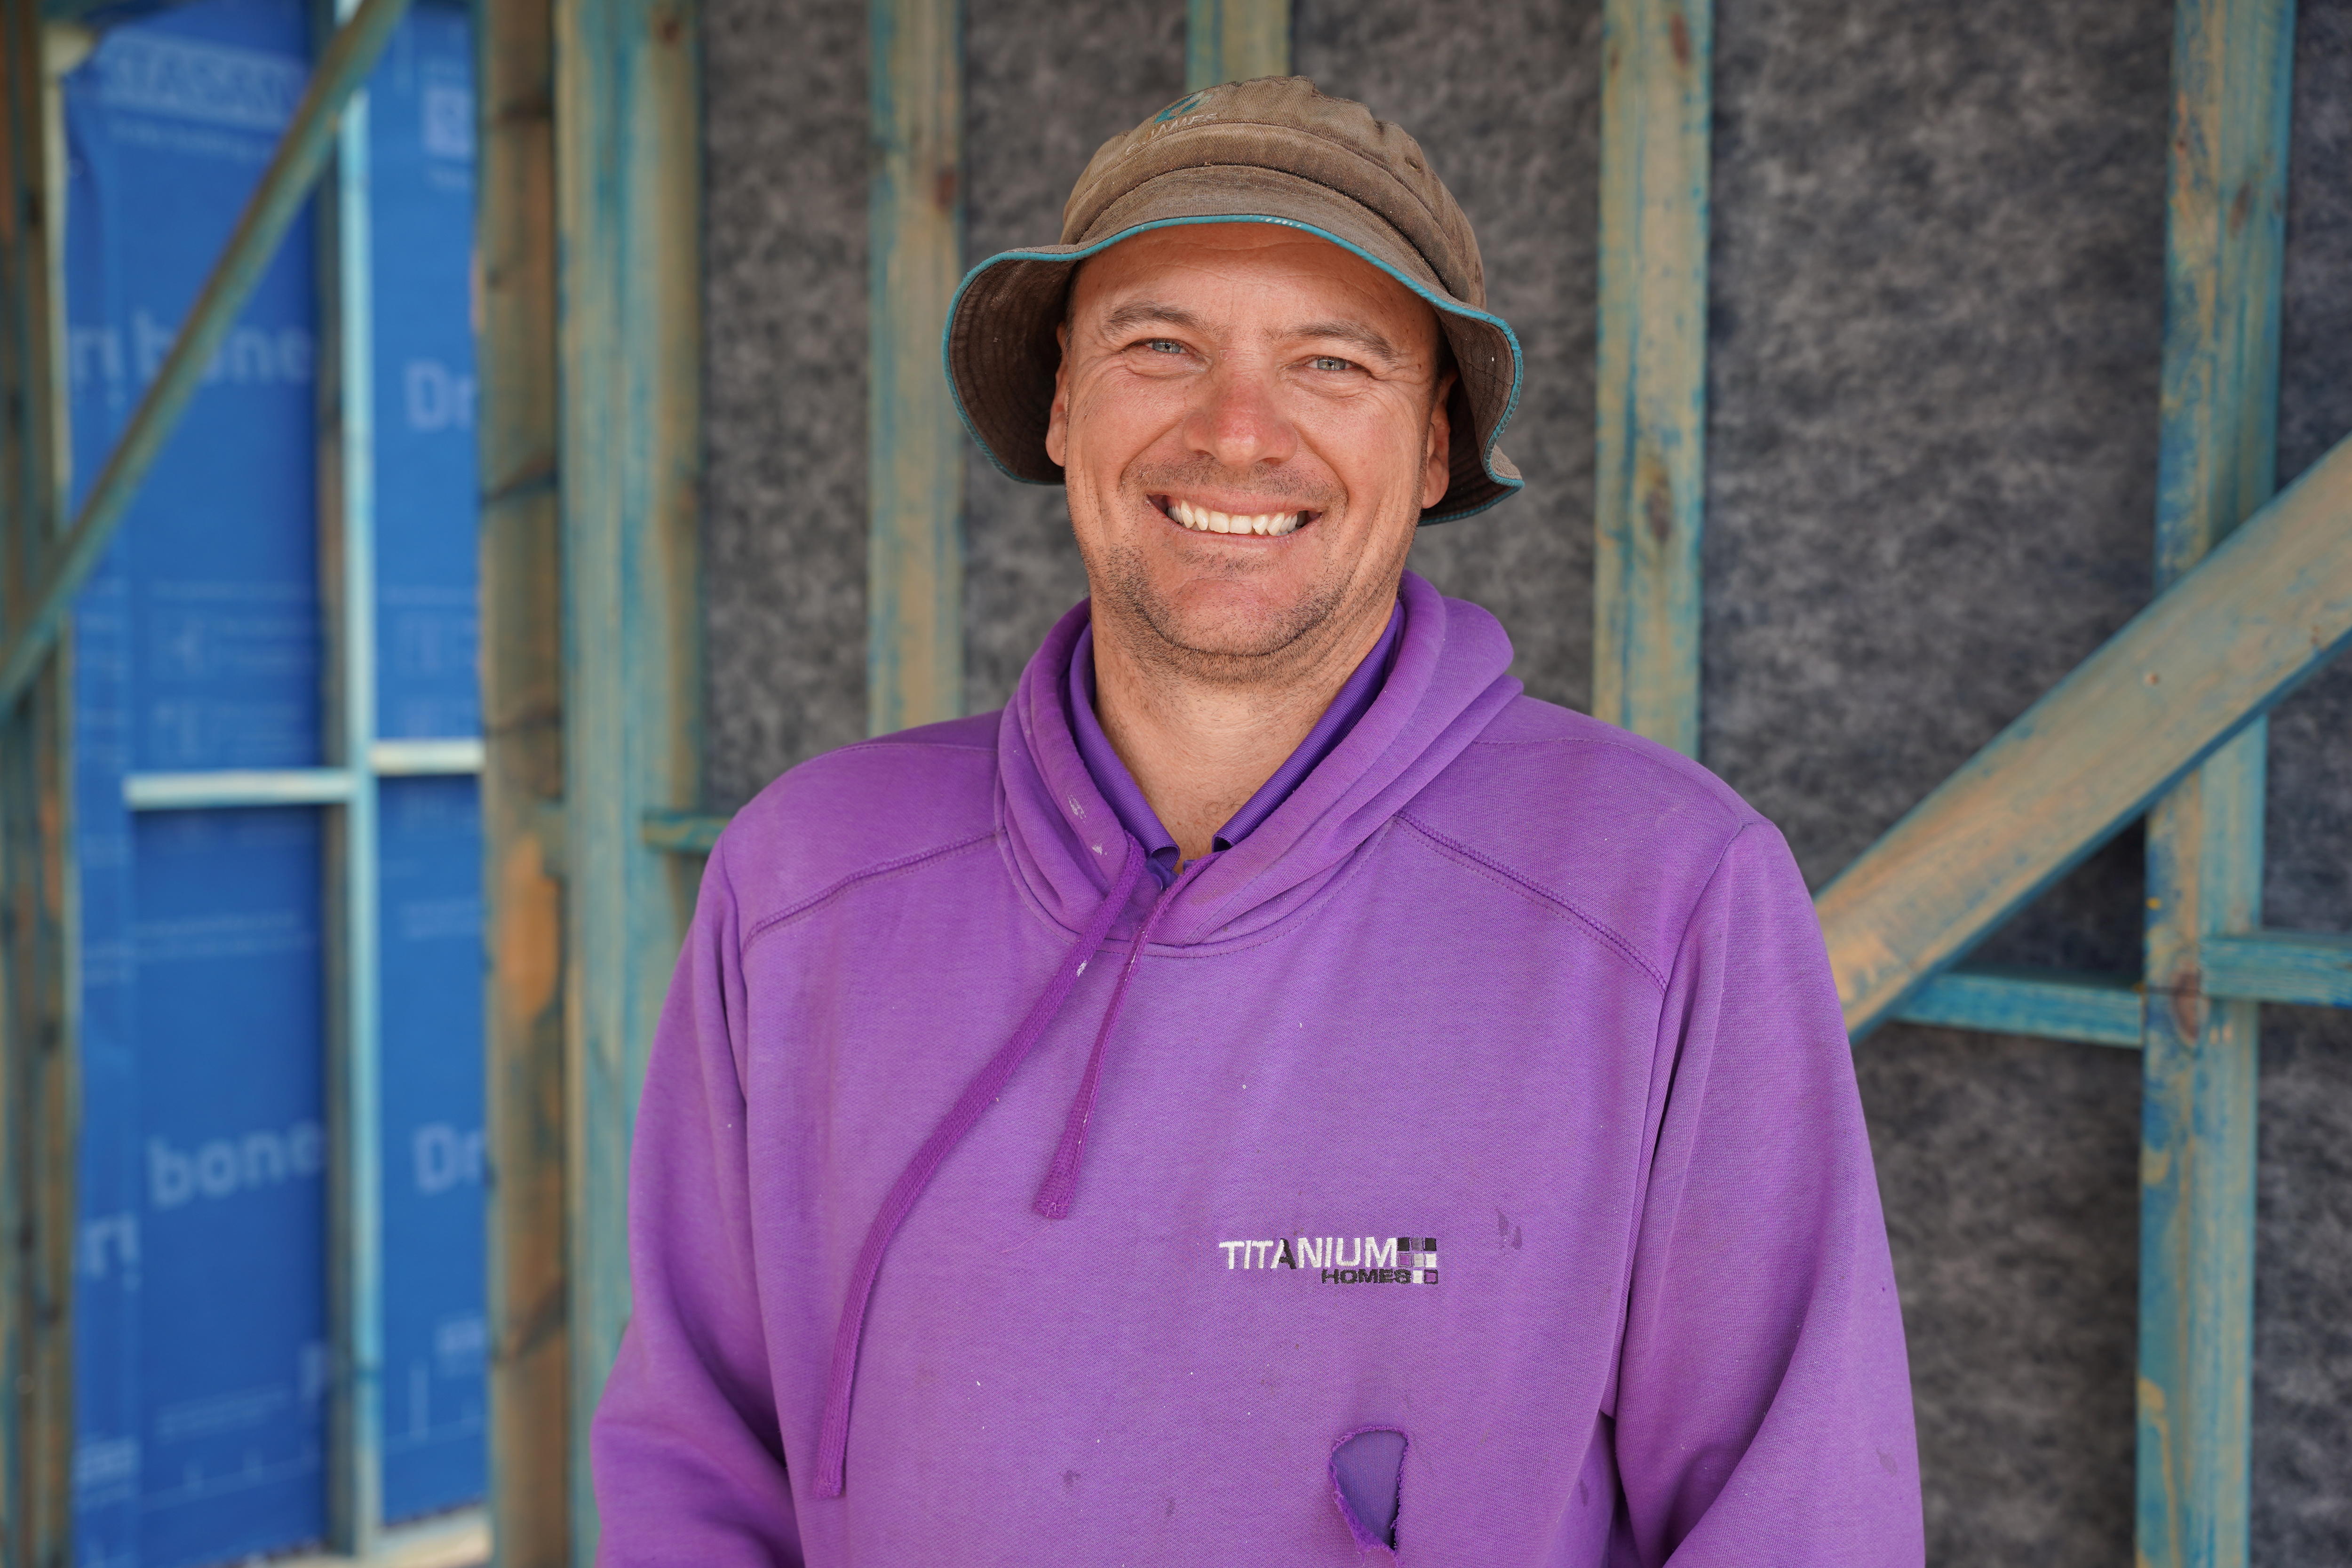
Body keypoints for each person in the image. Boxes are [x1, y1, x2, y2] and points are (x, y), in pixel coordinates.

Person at [592, 76, 1923, 1565]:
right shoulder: (806, 880)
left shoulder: (1666, 896)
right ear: (1059, 403)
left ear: (1432, 448)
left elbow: (1800, 1516)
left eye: (1333, 363)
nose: (1238, 434)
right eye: (1159, 347)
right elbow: (695, 1468)